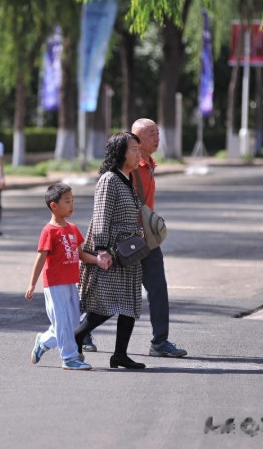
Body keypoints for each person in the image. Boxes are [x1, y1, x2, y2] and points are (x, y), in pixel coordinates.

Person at [82, 120, 187, 359]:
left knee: (157, 288)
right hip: (123, 240)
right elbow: (104, 210)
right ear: (135, 139)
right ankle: (82, 333)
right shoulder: (125, 169)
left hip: (145, 239)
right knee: (108, 290)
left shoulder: (149, 164)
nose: (157, 138)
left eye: (158, 133)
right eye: (151, 134)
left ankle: (159, 341)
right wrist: (101, 246)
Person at [74, 132, 146, 370]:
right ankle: (77, 337)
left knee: (129, 303)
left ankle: (120, 355)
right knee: (105, 302)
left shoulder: (127, 178)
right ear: (120, 153)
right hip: (112, 250)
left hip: (128, 251)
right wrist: (102, 250)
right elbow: (101, 216)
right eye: (134, 149)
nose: (138, 154)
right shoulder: (109, 179)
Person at [25, 183, 111, 370]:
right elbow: (40, 258)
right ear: (54, 206)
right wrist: (32, 284)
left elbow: (80, 255)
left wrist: (97, 261)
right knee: (63, 322)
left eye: (72, 201)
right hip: (54, 284)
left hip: (71, 283)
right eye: (67, 201)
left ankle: (43, 341)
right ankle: (69, 358)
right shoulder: (49, 231)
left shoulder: (72, 228)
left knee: (71, 323)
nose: (72, 205)